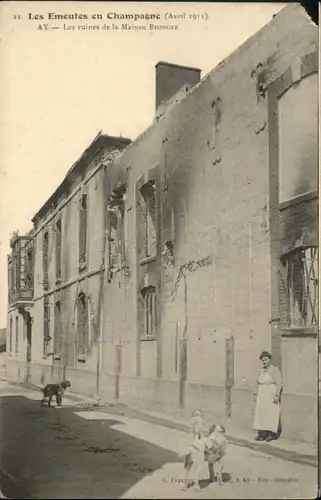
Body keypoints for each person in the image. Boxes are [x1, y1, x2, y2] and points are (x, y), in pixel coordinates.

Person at [253, 351, 283, 442]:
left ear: (270, 360)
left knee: (271, 414)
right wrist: (255, 393)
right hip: (262, 394)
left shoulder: (274, 370)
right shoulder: (260, 371)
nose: (264, 362)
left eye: (266, 360)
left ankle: (272, 434)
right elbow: (257, 383)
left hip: (271, 394)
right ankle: (262, 434)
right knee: (261, 414)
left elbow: (279, 383)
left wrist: (277, 395)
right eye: (262, 360)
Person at [181, 409, 205, 492]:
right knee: (197, 466)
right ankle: (196, 485)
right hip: (195, 447)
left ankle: (185, 484)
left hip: (191, 447)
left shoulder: (191, 429)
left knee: (188, 466)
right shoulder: (197, 428)